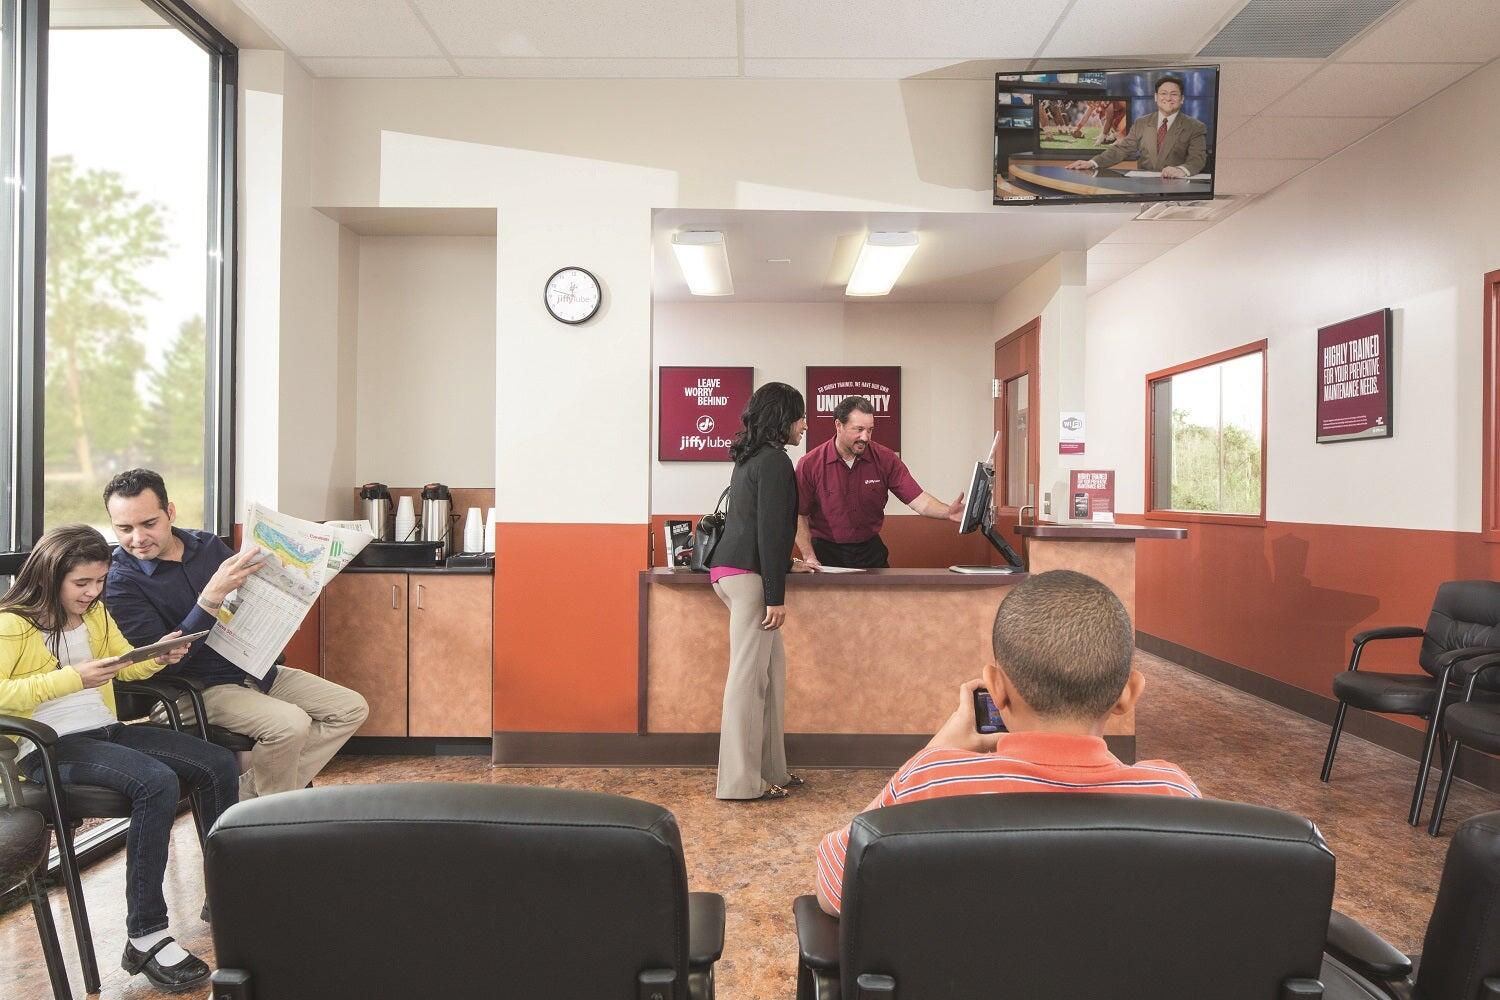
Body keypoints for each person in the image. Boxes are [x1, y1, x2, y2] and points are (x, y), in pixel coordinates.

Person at [813, 570, 1200, 916]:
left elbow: (834, 884)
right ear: (1129, 694)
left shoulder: (932, 781)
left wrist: (935, 751)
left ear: (995, 688)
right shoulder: (1174, 795)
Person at [0, 525, 238, 992]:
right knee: (156, 781)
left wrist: (159, 657)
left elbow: (122, 663)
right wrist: (73, 678)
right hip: (48, 747)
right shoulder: (12, 624)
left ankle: (226, 893)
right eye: (81, 583)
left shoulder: (94, 614)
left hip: (103, 730)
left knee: (217, 763)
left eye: (99, 581)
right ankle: (145, 935)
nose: (93, 592)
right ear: (50, 575)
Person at [102, 469, 369, 800]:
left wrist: (285, 609)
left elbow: (251, 595)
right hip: (194, 688)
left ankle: (243, 797)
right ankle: (270, 816)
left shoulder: (207, 545)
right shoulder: (120, 582)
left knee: (350, 708)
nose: (138, 538)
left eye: (148, 524)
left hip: (251, 668)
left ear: (170, 512)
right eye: (124, 529)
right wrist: (210, 598)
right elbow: (164, 662)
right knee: (290, 724)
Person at [707, 382, 812, 801]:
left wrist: (786, 564)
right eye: (800, 417)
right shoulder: (774, 461)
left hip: (732, 572)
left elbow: (757, 526)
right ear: (783, 418)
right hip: (749, 579)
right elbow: (770, 531)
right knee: (749, 681)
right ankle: (740, 783)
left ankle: (772, 771)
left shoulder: (752, 458)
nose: (804, 425)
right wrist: (775, 595)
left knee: (770, 675)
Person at [794, 396, 964, 569]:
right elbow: (799, 514)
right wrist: (809, 556)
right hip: (826, 552)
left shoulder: (886, 459)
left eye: (870, 430)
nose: (865, 437)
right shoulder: (810, 464)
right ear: (839, 425)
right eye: (859, 429)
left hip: (870, 552)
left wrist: (948, 512)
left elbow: (919, 500)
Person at [1065, 75, 1207, 179]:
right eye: (1163, 93)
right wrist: (1092, 163)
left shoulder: (1195, 127)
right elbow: (1122, 149)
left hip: (1176, 186)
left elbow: (1197, 159)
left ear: (1182, 99)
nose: (1168, 98)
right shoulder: (1142, 123)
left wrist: (1181, 170)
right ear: (1156, 97)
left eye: (1174, 94)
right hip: (1145, 186)